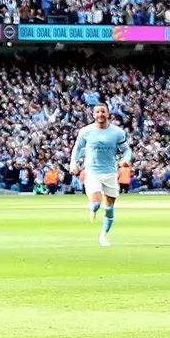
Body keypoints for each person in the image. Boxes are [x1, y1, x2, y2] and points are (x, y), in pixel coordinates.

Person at [70, 102, 133, 247]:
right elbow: (77, 148)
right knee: (97, 203)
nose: (100, 114)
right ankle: (92, 208)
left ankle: (103, 236)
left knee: (109, 208)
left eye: (103, 111)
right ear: (93, 114)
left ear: (108, 113)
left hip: (110, 172)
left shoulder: (117, 132)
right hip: (92, 172)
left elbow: (127, 150)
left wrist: (126, 160)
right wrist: (73, 164)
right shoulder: (86, 131)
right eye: (97, 112)